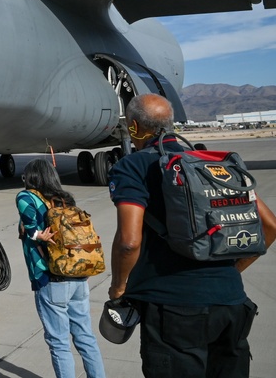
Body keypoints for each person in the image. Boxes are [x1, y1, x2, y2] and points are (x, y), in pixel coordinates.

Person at [108, 93, 276, 377]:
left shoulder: (132, 166)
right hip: (232, 304)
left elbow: (128, 242)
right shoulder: (211, 162)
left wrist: (119, 287)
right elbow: (270, 226)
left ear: (134, 127)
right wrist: (233, 270)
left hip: (174, 311)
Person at [17, 158, 105, 378]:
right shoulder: (65, 198)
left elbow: (31, 230)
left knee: (59, 343)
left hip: (49, 277)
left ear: (33, 177)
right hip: (78, 274)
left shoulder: (26, 196)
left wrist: (36, 234)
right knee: (86, 337)